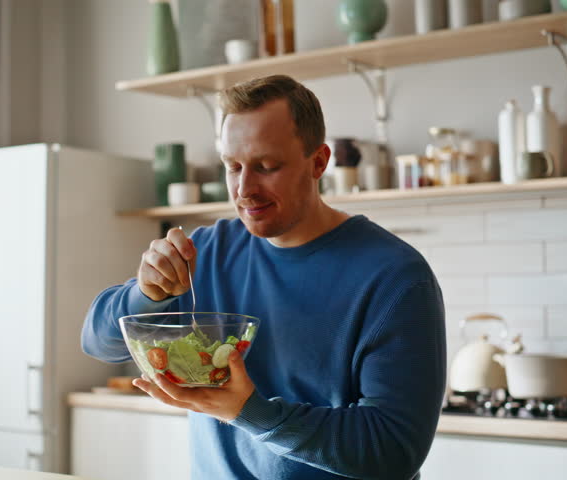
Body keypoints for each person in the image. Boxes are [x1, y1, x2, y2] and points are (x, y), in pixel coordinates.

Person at [82, 75, 446, 479]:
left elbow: (393, 451)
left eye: (266, 166)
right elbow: (98, 341)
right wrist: (146, 294)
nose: (244, 189)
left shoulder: (395, 277)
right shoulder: (206, 252)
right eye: (232, 167)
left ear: (319, 162)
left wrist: (249, 411)